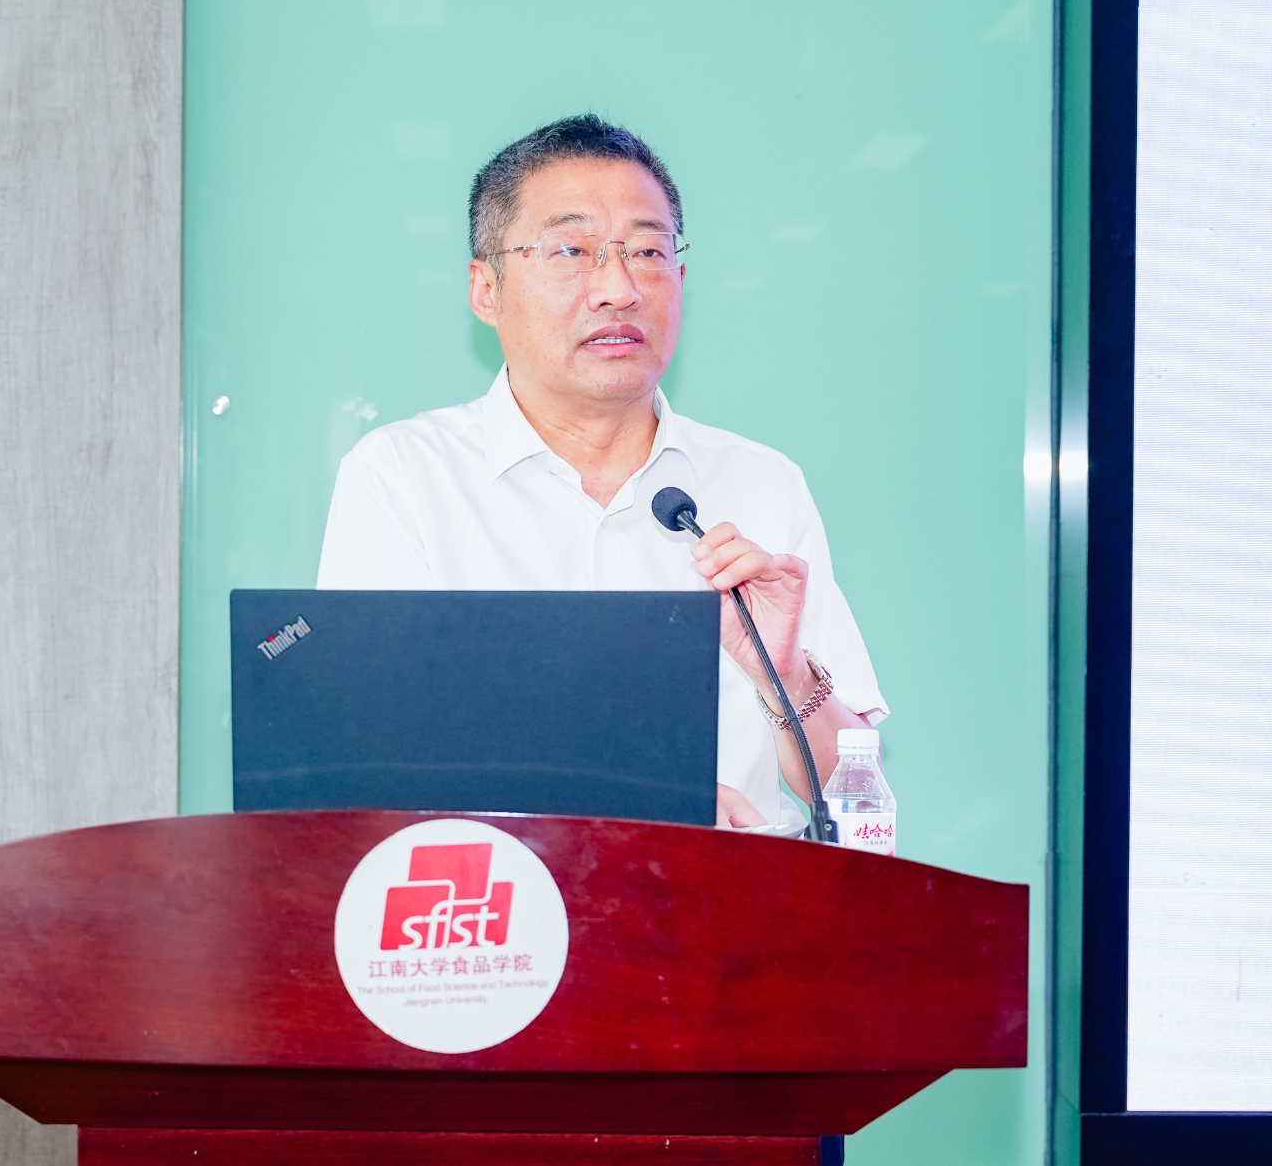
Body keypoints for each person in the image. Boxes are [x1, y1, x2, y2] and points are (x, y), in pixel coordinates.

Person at [317, 115, 886, 829]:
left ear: (680, 278)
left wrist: (786, 674)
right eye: (571, 250)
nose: (618, 288)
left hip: (725, 898)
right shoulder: (404, 478)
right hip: (497, 896)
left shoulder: (761, 483)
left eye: (647, 251)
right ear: (486, 289)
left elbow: (859, 799)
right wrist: (636, 810)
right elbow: (360, 770)